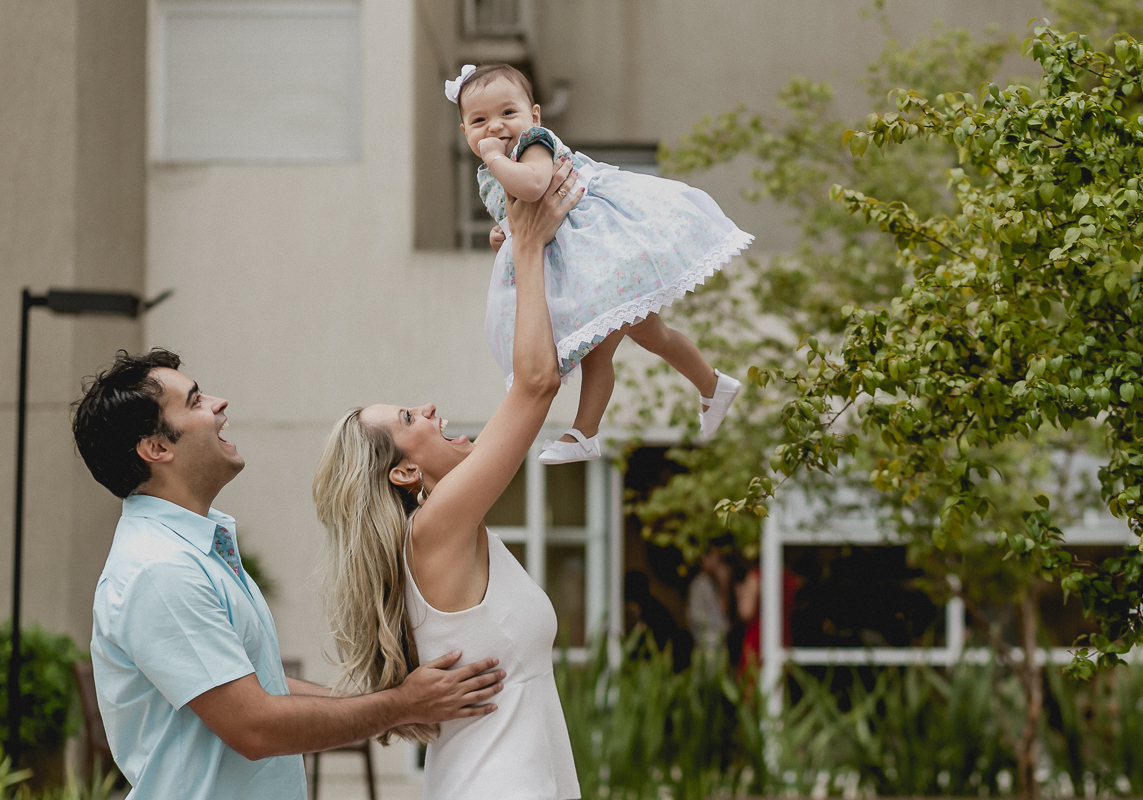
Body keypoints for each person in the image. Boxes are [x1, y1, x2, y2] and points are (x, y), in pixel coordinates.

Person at [73, 351, 508, 799]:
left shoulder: (191, 550)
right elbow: (254, 727)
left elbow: (261, 688)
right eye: (196, 401)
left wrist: (400, 703)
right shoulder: (159, 570)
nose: (220, 403)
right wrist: (399, 706)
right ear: (158, 448)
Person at [313, 160, 583, 799]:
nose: (430, 408)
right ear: (404, 471)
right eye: (409, 418)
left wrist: (519, 263)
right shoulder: (436, 529)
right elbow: (537, 384)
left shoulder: (442, 535)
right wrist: (527, 244)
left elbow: (532, 371)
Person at [446, 63, 754, 464]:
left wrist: (494, 157)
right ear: (464, 131)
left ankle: (585, 433)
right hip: (579, 259)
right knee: (651, 334)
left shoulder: (532, 145)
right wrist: (503, 234)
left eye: (508, 113)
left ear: (534, 116)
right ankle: (712, 385)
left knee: (599, 350)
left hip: (601, 247)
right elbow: (520, 215)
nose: (495, 128)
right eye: (479, 121)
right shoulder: (495, 169)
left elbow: (535, 185)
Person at [686, 545, 732, 657]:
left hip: (719, 643)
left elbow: (724, 611)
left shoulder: (716, 582)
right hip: (707, 643)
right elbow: (694, 616)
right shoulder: (699, 584)